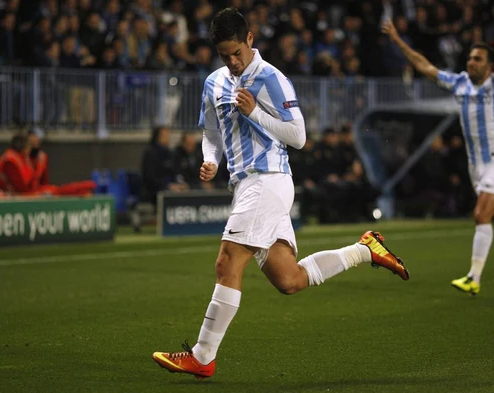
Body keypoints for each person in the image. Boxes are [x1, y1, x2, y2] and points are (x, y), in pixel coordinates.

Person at [152, 8, 409, 380]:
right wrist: (210, 160)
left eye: (237, 52)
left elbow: (299, 137)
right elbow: (212, 132)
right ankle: (365, 249)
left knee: (227, 262)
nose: (233, 61)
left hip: (268, 179)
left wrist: (256, 112)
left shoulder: (272, 79)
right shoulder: (214, 83)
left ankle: (202, 355)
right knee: (288, 280)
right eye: (225, 55)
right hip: (243, 185)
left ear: (250, 40)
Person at [382, 17, 494, 296]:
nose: (471, 62)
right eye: (470, 58)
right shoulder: (460, 83)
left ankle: (474, 278)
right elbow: (424, 66)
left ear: (490, 66)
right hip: (476, 165)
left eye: (478, 59)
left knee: (481, 214)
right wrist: (397, 40)